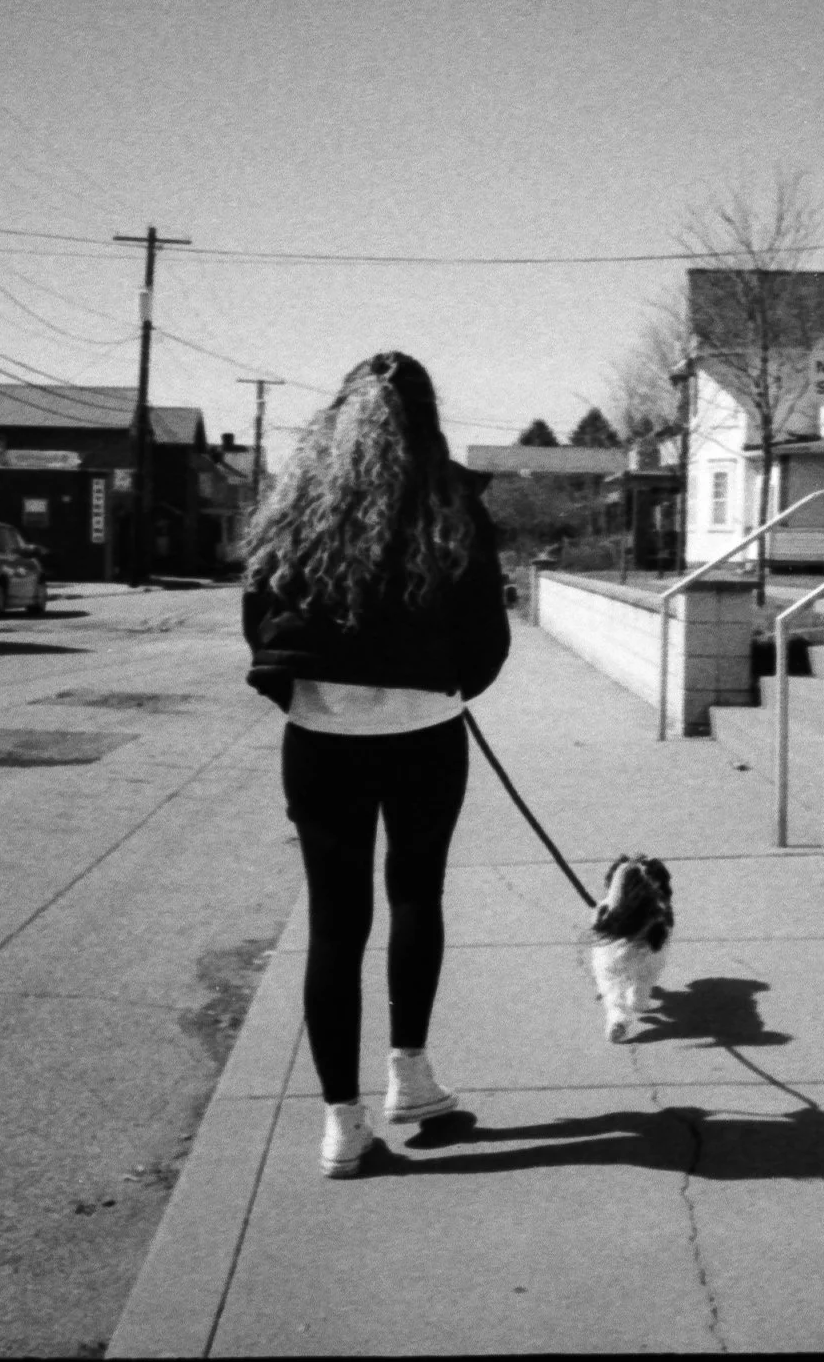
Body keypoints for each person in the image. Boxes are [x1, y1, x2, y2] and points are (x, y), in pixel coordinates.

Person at [240, 351, 512, 1177]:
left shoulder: (296, 502)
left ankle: (340, 1124)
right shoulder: (451, 502)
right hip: (425, 729)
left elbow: (258, 617)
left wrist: (310, 695)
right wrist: (445, 686)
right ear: (426, 418)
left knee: (334, 922)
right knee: (415, 895)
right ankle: (410, 1074)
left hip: (320, 734)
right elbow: (486, 631)